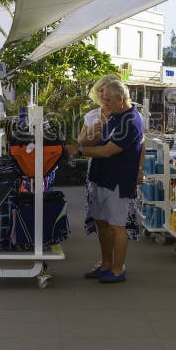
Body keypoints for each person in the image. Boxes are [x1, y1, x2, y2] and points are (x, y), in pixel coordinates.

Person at [67, 79, 143, 283]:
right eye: (102, 99)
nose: (104, 104)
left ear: (120, 98)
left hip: (118, 180)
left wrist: (80, 150)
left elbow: (108, 151)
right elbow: (92, 140)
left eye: (108, 100)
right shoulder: (113, 115)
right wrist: (94, 130)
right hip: (101, 177)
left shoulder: (131, 122)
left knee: (117, 225)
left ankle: (118, 270)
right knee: (102, 222)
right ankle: (106, 264)